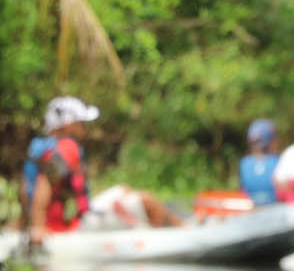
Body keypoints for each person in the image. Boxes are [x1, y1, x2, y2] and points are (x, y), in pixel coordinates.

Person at [20, 96, 183, 243]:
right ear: (68, 125)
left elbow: (25, 190)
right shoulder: (66, 148)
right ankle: (184, 231)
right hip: (66, 227)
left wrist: (25, 224)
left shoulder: (41, 147)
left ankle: (173, 226)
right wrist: (38, 228)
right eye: (80, 124)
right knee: (146, 200)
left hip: (66, 221)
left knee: (124, 190)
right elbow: (44, 182)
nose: (84, 129)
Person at [240, 119, 280, 205]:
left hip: (250, 213)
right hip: (275, 212)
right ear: (272, 140)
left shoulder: (245, 163)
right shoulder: (279, 161)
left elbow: (243, 192)